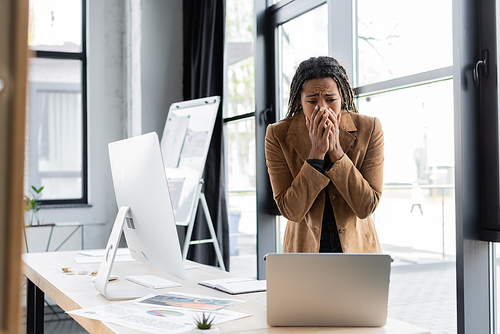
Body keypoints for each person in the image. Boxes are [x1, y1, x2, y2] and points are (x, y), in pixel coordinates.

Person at [265, 56, 384, 253]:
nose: (322, 108)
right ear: (299, 101)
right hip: (304, 252)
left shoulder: (369, 128)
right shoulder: (278, 135)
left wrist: (336, 151)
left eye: (331, 99)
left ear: (342, 97)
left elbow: (366, 206)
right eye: (312, 101)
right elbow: (291, 210)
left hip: (357, 252)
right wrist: (316, 154)